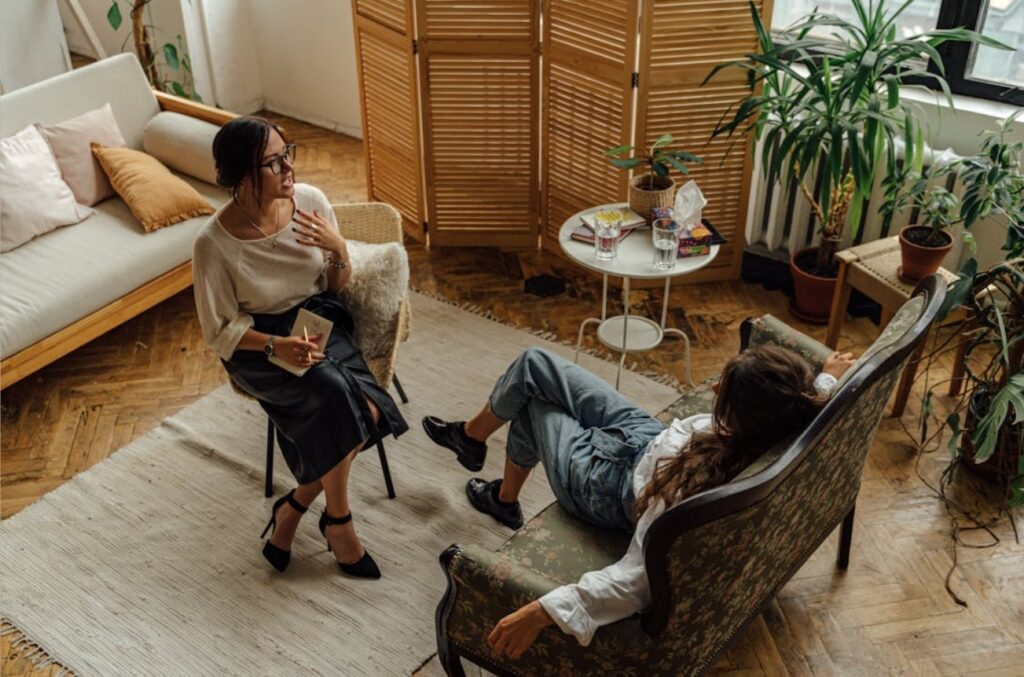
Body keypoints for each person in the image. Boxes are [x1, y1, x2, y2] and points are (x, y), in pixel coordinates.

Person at [423, 345, 855, 655]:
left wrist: (544, 610)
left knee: (531, 406)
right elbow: (809, 400)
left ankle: (497, 487)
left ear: (743, 417)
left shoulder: (689, 489)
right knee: (533, 364)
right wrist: (826, 377)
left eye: (723, 394)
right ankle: (473, 442)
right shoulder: (793, 415)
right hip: (647, 436)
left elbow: (638, 579)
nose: (715, 387)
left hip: (603, 484)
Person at [193, 116, 408, 579]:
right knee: (338, 396)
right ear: (241, 176)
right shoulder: (213, 244)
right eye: (273, 162)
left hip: (316, 318)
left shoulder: (310, 202)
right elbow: (219, 331)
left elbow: (333, 287)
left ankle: (293, 508)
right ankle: (340, 523)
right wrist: (276, 347)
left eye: (287, 153)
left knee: (369, 411)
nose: (288, 167)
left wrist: (339, 250)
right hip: (256, 344)